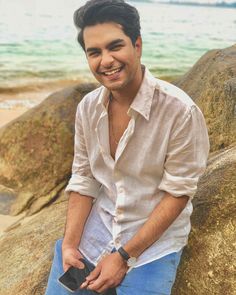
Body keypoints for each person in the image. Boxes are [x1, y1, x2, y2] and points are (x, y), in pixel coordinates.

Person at [45, 0, 209, 294]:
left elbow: (178, 193)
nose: (105, 60)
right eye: (94, 52)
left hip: (153, 245)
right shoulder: (87, 108)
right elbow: (84, 180)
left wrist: (123, 256)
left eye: (115, 46)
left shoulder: (180, 112)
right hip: (97, 230)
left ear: (137, 45)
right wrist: (70, 244)